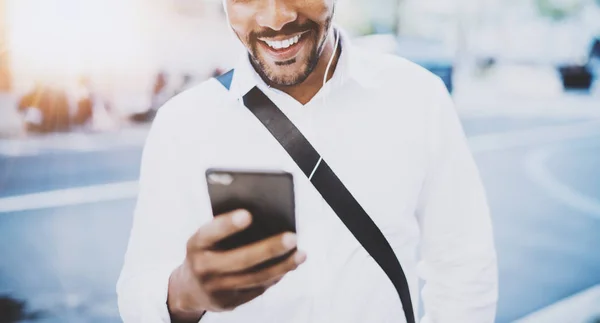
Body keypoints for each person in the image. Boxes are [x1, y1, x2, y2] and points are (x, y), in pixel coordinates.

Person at [116, 0, 498, 322]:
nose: (275, 18)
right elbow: (137, 293)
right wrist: (187, 291)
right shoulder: (182, 122)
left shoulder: (418, 98)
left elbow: (464, 269)